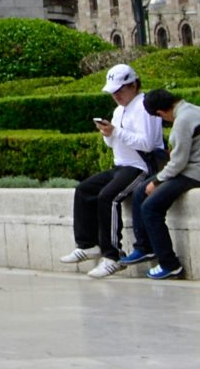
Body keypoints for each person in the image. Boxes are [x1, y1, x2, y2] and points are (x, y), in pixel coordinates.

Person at [60, 63, 167, 279]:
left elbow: (146, 144)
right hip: (121, 165)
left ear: (134, 85)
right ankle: (88, 244)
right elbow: (114, 143)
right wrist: (108, 133)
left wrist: (116, 132)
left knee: (108, 197)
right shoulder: (119, 110)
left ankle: (112, 256)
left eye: (120, 90)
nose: (116, 95)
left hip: (139, 167)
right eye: (113, 92)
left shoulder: (144, 106)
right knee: (84, 190)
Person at [133, 88, 200, 280]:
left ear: (161, 113)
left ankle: (169, 264)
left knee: (150, 208)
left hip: (193, 175)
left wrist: (157, 181)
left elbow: (177, 163)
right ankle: (145, 247)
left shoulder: (182, 122)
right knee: (140, 192)